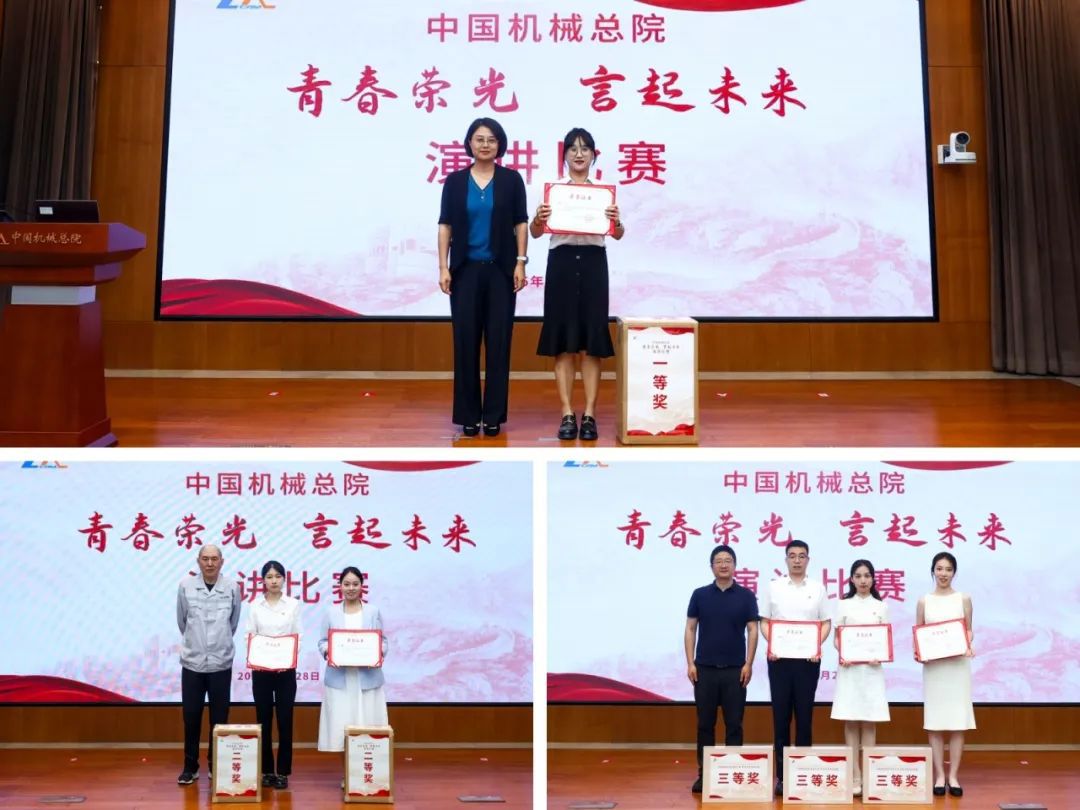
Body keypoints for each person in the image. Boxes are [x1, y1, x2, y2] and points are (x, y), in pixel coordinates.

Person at [531, 127, 624, 441]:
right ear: (565, 155)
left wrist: (616, 221)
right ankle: (567, 413)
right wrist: (539, 218)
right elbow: (535, 232)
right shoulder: (555, 192)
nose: (579, 154)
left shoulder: (603, 194)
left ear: (594, 155)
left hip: (594, 263)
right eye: (573, 148)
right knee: (563, 342)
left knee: (591, 342)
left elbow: (618, 234)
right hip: (562, 262)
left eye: (585, 149)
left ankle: (590, 414)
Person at [438, 117, 529, 438]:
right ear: (469, 144)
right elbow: (445, 225)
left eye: (491, 139)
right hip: (465, 273)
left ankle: (492, 416)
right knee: (465, 343)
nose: (485, 144)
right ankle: (467, 414)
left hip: (501, 273)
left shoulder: (511, 180)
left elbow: (521, 223)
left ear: (499, 144)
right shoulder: (455, 182)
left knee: (499, 343)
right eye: (479, 139)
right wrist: (443, 267)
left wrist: (520, 262)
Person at [758, 539, 831, 797]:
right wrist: (773, 645)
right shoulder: (774, 587)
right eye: (792, 556)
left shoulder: (818, 588)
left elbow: (825, 623)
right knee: (781, 718)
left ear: (808, 560)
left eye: (802, 556)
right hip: (779, 661)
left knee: (804, 717)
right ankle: (782, 776)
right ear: (786, 559)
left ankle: (803, 773)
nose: (797, 560)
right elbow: (764, 621)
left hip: (807, 662)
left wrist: (815, 646)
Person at [684, 544, 759, 795]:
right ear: (712, 566)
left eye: (728, 560)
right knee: (705, 724)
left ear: (735, 566)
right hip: (704, 669)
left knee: (734, 724)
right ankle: (704, 774)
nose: (724, 564)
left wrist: (749, 663)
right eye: (719, 561)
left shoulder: (746, 596)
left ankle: (732, 771)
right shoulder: (700, 595)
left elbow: (753, 630)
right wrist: (690, 662)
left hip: (735, 670)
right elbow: (690, 628)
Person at [176, 544, 241, 786]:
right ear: (198, 561)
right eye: (205, 559)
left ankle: (216, 765)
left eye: (214, 559)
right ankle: (190, 767)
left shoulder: (232, 587)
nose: (210, 563)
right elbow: (182, 621)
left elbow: (233, 623)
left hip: (220, 663)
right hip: (192, 663)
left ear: (222, 561)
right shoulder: (186, 586)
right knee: (191, 716)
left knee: (219, 717)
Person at [915, 551, 974, 798]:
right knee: (936, 722)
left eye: (948, 569)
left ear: (954, 572)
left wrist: (968, 644)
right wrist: (920, 652)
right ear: (933, 571)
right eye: (939, 569)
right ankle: (939, 775)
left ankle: (954, 776)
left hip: (957, 667)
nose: (943, 574)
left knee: (958, 722)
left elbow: (968, 630)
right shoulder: (924, 601)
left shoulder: (963, 598)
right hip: (935, 669)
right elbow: (919, 633)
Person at [830, 559, 890, 797]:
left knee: (870, 721)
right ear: (852, 579)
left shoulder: (881, 606)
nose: (863, 580)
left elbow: (885, 639)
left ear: (873, 578)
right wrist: (843, 652)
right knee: (851, 721)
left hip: (872, 671)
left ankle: (870, 776)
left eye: (867, 575)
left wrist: (880, 655)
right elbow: (837, 638)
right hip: (850, 671)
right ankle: (855, 776)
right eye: (858, 576)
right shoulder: (843, 605)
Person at [317, 567, 389, 761]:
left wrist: (377, 652)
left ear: (362, 586)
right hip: (340, 679)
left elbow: (383, 641)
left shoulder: (373, 611)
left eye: (355, 584)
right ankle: (348, 772)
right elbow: (322, 642)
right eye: (347, 584)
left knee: (368, 724)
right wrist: (329, 652)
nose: (351, 588)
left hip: (367, 678)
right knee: (342, 725)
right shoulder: (331, 612)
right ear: (340, 586)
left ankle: (367, 767)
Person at [245, 560, 301, 790]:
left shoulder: (293, 604)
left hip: (286, 671)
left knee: (285, 720)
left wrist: (286, 659)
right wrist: (259, 658)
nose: (274, 580)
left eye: (278, 576)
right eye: (269, 577)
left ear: (284, 579)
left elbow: (297, 635)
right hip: (261, 671)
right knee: (264, 719)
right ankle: (267, 770)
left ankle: (283, 771)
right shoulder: (255, 606)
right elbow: (250, 635)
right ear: (263, 581)